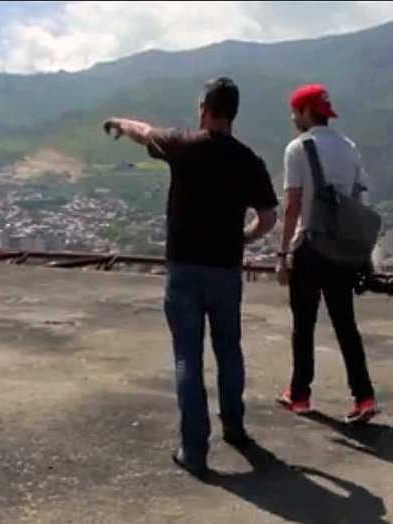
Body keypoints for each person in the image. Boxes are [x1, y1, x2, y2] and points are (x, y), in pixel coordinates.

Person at [104, 77, 278, 478]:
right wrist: (244, 237)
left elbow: (143, 132)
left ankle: (194, 449)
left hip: (184, 270)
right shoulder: (248, 160)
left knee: (188, 357)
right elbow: (268, 217)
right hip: (225, 271)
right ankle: (234, 428)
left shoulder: (183, 145)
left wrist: (117, 122)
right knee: (229, 350)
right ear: (233, 114)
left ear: (203, 109)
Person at [276, 83, 378, 424]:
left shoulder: (298, 148)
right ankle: (363, 396)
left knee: (303, 324)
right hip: (342, 248)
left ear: (306, 113)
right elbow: (360, 201)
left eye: (295, 112)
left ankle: (300, 395)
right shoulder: (349, 148)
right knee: (345, 324)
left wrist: (281, 254)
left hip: (308, 246)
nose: (293, 118)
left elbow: (292, 205)